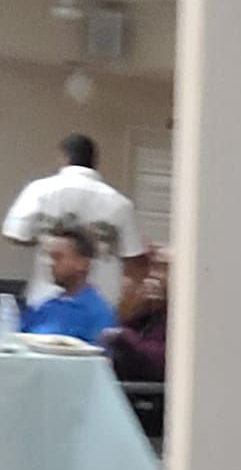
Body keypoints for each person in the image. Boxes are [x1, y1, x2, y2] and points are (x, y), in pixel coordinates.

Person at [3, 133, 145, 315]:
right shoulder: (121, 203)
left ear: (64, 157)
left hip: (45, 297)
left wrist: (45, 238)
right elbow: (132, 256)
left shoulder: (39, 190)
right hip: (101, 302)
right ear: (94, 161)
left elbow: (14, 233)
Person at [18, 229, 117, 343]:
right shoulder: (46, 306)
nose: (51, 263)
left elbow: (99, 357)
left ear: (83, 264)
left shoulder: (98, 313)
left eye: (58, 257)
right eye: (51, 257)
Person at [104, 249, 168, 381]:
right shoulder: (150, 311)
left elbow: (161, 359)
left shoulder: (182, 315)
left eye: (163, 269)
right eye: (153, 267)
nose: (154, 276)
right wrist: (137, 306)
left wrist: (125, 336)